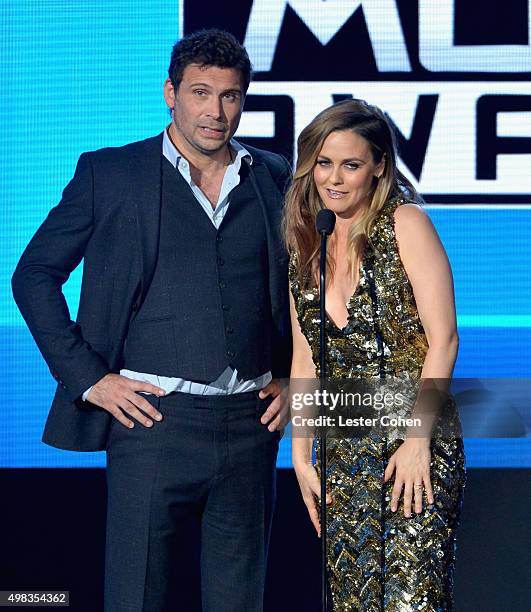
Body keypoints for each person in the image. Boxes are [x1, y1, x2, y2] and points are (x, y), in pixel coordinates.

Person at [12, 29, 291, 612]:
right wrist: (90, 378)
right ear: (170, 92)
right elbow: (34, 275)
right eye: (200, 92)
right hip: (152, 424)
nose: (216, 111)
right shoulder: (110, 174)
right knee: (138, 598)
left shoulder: (273, 176)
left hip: (249, 426)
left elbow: (311, 286)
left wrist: (296, 380)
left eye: (231, 96)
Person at [284, 99, 465, 610]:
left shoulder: (405, 223)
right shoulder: (306, 243)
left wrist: (416, 440)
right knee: (354, 600)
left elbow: (444, 339)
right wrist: (300, 456)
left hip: (417, 446)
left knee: (413, 599)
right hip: (344, 455)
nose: (334, 179)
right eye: (323, 163)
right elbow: (306, 362)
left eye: (351, 164)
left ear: (379, 165)